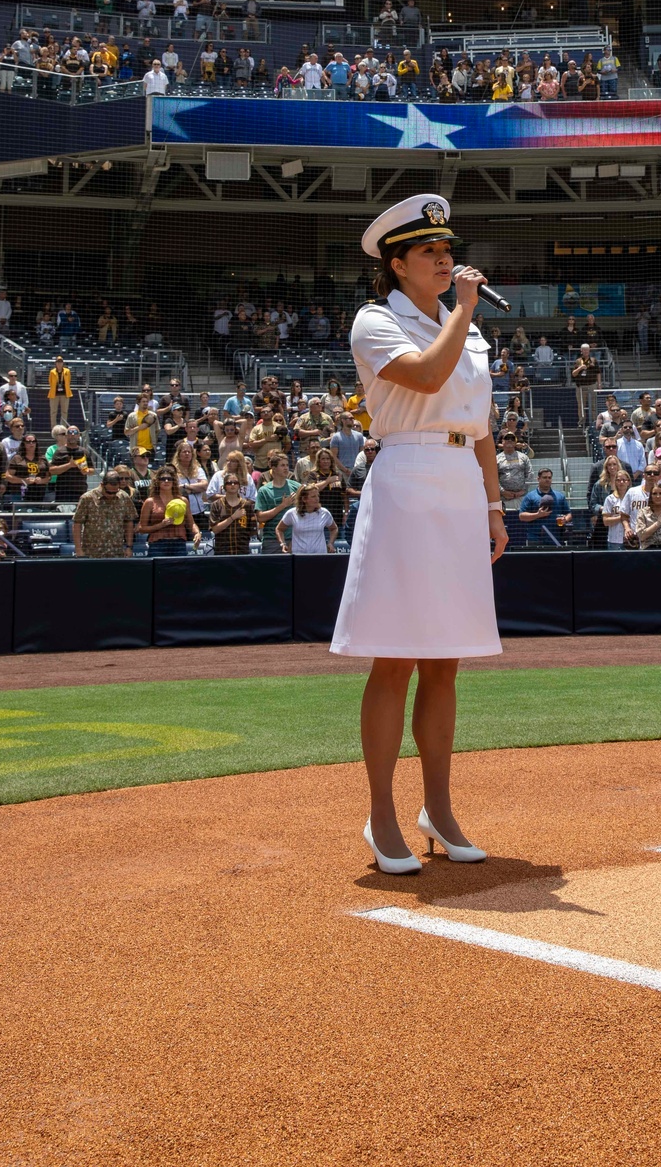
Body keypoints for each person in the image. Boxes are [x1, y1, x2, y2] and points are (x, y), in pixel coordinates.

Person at [330, 194, 506, 875]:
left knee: (445, 660)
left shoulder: (465, 326)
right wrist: (463, 308)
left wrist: (494, 506)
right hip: (406, 478)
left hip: (460, 481)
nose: (445, 259)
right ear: (396, 263)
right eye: (429, 252)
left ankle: (439, 807)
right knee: (394, 657)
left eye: (447, 249)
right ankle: (382, 816)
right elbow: (430, 376)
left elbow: (481, 427)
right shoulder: (376, 321)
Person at [137, 466, 201, 556]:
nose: (166, 481)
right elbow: (141, 528)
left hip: (178, 544)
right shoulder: (150, 502)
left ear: (173, 481)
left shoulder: (183, 500)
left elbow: (191, 524)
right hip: (158, 545)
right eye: (163, 479)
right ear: (157, 481)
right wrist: (161, 525)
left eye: (169, 479)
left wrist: (197, 533)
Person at [73, 470, 137, 558]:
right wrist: (78, 549)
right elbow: (77, 523)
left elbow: (129, 522)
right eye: (109, 492)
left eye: (115, 492)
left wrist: (129, 547)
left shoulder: (124, 497)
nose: (111, 495)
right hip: (92, 553)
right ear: (102, 485)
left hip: (116, 552)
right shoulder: (88, 498)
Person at [277, 483, 338, 554]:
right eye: (313, 496)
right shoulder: (291, 513)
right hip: (298, 557)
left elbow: (334, 528)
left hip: (320, 556)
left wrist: (331, 543)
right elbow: (279, 529)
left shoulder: (324, 513)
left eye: (318, 495)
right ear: (304, 499)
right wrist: (283, 544)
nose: (317, 499)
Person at [519, 467, 572, 546]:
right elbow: (521, 516)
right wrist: (537, 515)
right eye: (544, 477)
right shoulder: (530, 496)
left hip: (556, 538)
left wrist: (565, 519)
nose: (547, 480)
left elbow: (569, 514)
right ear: (538, 479)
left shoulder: (560, 496)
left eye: (549, 478)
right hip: (535, 538)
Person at [47, 355, 73, 429]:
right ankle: (53, 428)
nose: (59, 364)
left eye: (61, 362)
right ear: (55, 363)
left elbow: (69, 380)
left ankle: (63, 428)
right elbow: (50, 381)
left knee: (64, 412)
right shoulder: (52, 372)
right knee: (53, 412)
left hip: (65, 394)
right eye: (58, 362)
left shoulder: (67, 371)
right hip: (54, 394)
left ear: (63, 363)